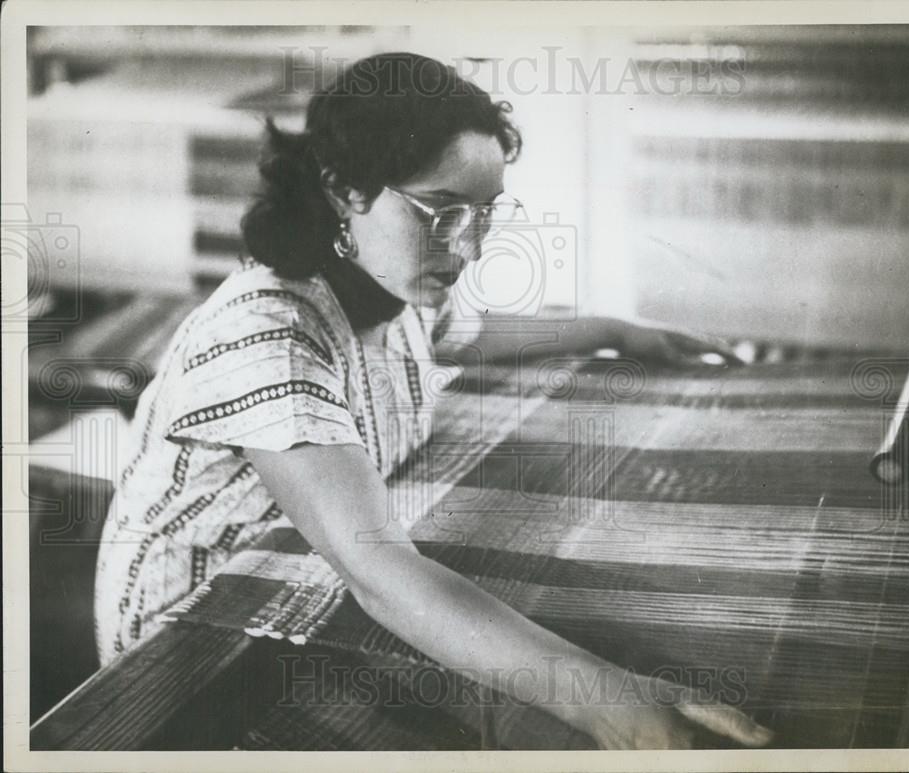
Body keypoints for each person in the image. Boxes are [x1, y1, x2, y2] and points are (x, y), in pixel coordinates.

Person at [94, 51, 766, 750]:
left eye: (484, 215)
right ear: (343, 188)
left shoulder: (388, 290)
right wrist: (602, 700)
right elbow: (378, 570)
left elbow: (473, 333)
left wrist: (619, 331)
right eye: (441, 213)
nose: (469, 247)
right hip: (198, 652)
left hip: (303, 578)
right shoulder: (268, 336)